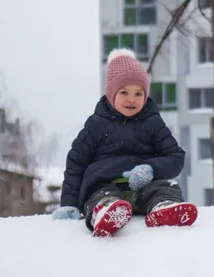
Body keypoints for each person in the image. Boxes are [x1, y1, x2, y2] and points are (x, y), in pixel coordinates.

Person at [51, 48, 198, 237]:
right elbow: (76, 164)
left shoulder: (152, 122)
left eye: (138, 94)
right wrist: (69, 204)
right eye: (124, 92)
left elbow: (175, 156)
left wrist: (151, 168)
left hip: (144, 187)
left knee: (165, 186)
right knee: (99, 193)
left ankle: (164, 206)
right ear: (112, 94)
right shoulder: (96, 125)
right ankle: (106, 210)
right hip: (106, 184)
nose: (131, 99)